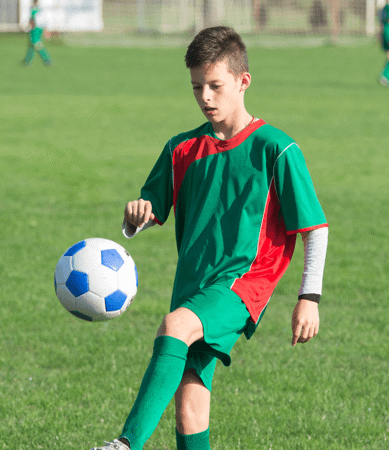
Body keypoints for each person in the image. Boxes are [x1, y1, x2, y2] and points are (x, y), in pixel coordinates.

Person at [90, 26, 328, 450]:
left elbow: (315, 229)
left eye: (216, 86)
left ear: (243, 81)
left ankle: (125, 444)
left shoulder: (277, 149)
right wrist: (137, 217)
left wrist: (309, 297)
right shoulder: (181, 149)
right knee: (190, 410)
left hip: (242, 283)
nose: (206, 97)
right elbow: (150, 209)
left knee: (174, 327)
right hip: (193, 284)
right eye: (197, 87)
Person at [22, 0, 52, 67]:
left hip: (35, 29)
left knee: (37, 45)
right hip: (38, 28)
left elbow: (32, 21)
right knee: (31, 46)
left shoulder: (34, 9)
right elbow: (44, 20)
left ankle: (47, 59)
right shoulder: (39, 9)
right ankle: (27, 61)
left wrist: (27, 26)